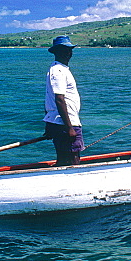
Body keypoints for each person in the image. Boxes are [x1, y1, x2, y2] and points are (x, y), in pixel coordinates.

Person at [44, 35, 84, 166]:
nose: (68, 53)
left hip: (59, 123)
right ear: (56, 52)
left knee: (63, 159)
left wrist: (49, 124)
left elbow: (48, 100)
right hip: (65, 123)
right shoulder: (58, 71)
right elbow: (59, 100)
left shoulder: (58, 69)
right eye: (63, 50)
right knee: (73, 159)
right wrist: (69, 128)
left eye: (69, 50)